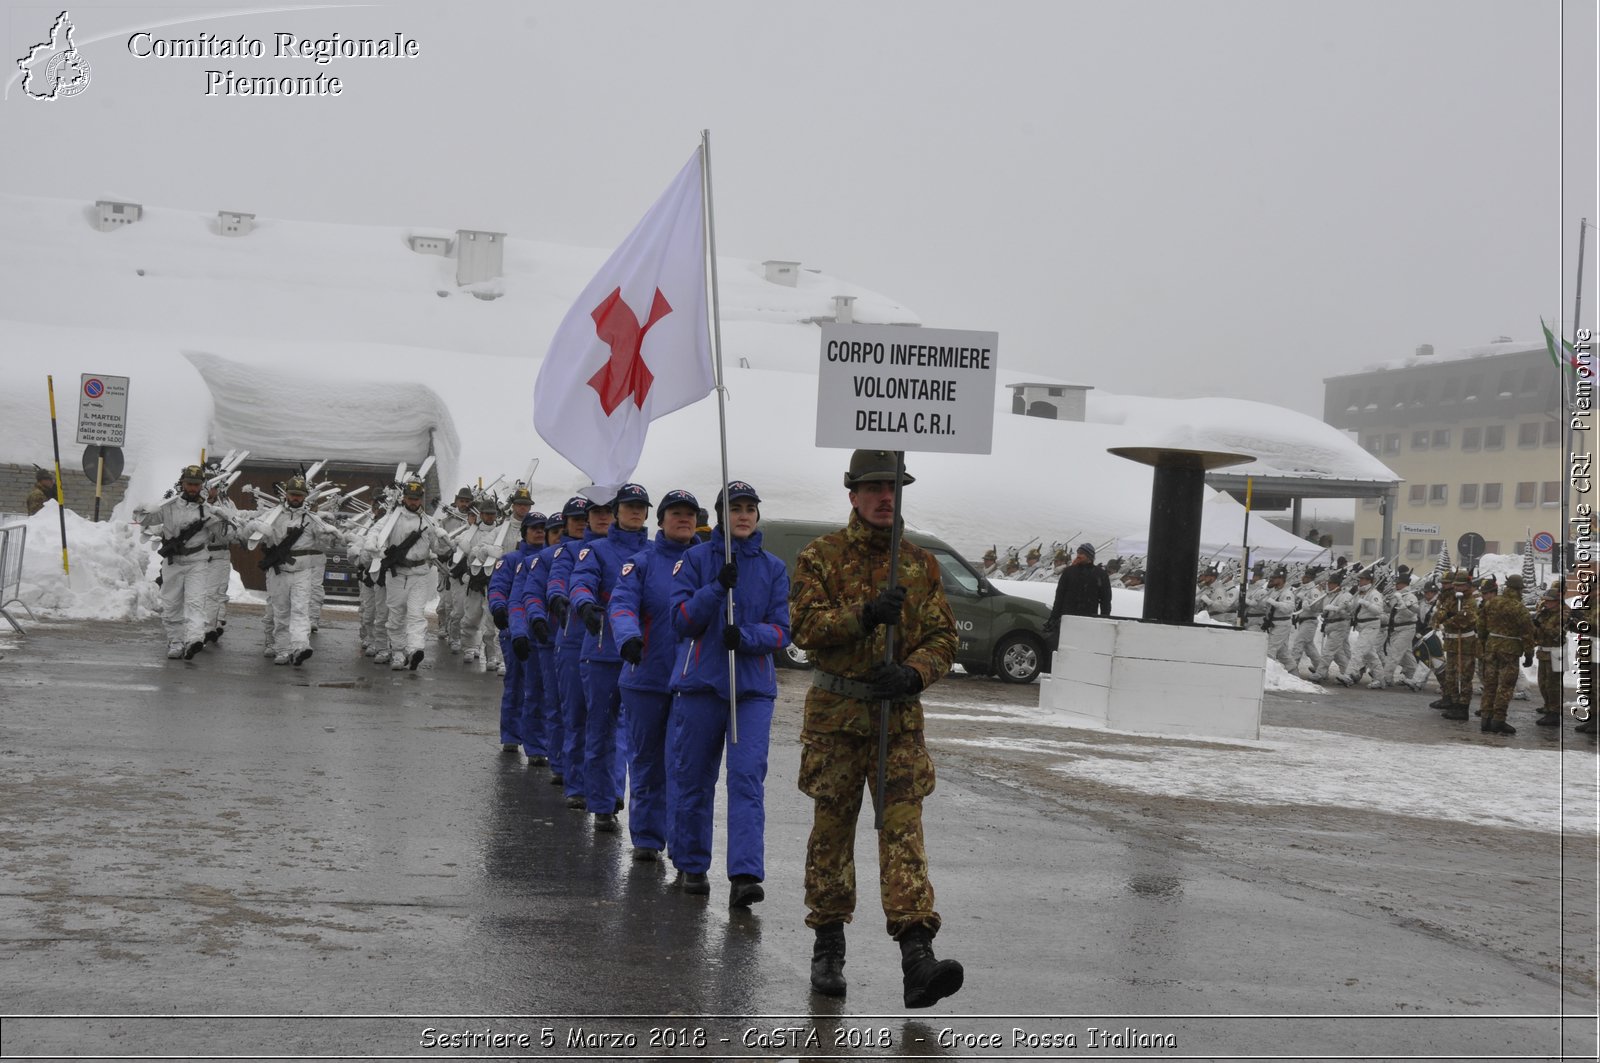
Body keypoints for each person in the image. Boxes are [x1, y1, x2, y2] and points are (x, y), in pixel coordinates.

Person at [789, 449, 963, 1009]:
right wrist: (864, 615)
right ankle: (828, 947)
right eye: (875, 488)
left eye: (895, 487)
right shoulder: (821, 556)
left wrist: (912, 673)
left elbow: (943, 638)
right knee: (832, 837)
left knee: (903, 834)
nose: (887, 497)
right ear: (853, 495)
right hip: (837, 724)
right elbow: (806, 627)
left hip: (897, 722)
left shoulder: (920, 565)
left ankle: (918, 956)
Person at [669, 481, 789, 905]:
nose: (743, 515)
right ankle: (691, 864)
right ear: (721, 515)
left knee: (746, 780)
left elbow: (782, 630)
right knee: (694, 778)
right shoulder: (695, 559)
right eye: (735, 508)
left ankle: (744, 875)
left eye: (750, 508)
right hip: (701, 685)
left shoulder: (774, 568)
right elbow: (681, 620)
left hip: (752, 690)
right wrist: (717, 587)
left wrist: (749, 636)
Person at [608, 488, 699, 861]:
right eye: (675, 513)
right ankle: (647, 838)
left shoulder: (706, 563)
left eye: (690, 514)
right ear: (659, 521)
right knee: (645, 760)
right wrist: (628, 638)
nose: (683, 519)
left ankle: (683, 847)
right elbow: (622, 603)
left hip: (692, 681)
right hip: (645, 676)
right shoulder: (640, 562)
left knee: (682, 766)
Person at [572, 484, 653, 832]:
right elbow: (580, 582)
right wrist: (584, 604)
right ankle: (603, 801)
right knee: (602, 728)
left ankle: (624, 796)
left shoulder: (655, 553)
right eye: (629, 506)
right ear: (617, 511)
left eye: (641, 507)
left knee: (639, 735)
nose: (635, 512)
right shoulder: (595, 550)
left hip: (642, 653)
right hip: (603, 649)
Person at [247, 476, 345, 666]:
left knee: (300, 610)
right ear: (286, 495)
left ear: (305, 497)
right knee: (281, 612)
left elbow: (326, 543)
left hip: (303, 572)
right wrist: (254, 526)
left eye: (300, 496)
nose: (296, 499)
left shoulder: (311, 519)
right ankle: (282, 649)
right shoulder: (272, 515)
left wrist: (335, 536)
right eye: (293, 494)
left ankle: (300, 646)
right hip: (279, 572)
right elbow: (246, 535)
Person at [152, 465, 232, 660]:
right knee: (171, 603)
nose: (192, 488)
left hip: (197, 561)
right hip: (174, 562)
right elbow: (147, 519)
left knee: (196, 602)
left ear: (201, 486)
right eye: (189, 484)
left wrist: (224, 521)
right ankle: (176, 641)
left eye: (196, 485)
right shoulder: (168, 506)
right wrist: (146, 509)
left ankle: (195, 638)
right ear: (182, 484)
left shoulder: (207, 510)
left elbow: (226, 536)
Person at [378, 479, 452, 671]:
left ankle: (415, 649)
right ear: (404, 498)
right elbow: (376, 535)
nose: (413, 502)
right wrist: (372, 547)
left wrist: (443, 538)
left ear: (421, 499)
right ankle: (398, 652)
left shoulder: (429, 522)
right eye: (410, 498)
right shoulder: (392, 518)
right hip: (396, 574)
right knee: (396, 616)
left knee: (416, 614)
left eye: (416, 499)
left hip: (419, 574)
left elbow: (439, 548)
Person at [490, 511, 547, 756]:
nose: (539, 532)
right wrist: (499, 608)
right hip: (514, 630)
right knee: (516, 684)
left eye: (543, 528)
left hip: (542, 631)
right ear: (524, 532)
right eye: (534, 528)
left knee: (540, 690)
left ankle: (537, 744)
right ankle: (511, 735)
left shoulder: (552, 558)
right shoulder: (510, 560)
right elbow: (498, 588)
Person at [1476, 573, 1535, 735]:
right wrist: (1529, 654)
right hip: (1510, 651)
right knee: (1506, 686)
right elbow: (1527, 633)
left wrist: (1483, 643)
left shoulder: (1491, 603)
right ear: (1519, 590)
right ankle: (1498, 720)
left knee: (1490, 685)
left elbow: (1480, 626)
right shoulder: (1519, 608)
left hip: (1491, 648)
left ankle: (1485, 719)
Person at [1434, 570, 1479, 720]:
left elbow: (1466, 620)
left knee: (1464, 676)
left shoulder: (1470, 601)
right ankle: (1454, 703)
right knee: (1451, 675)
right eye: (1456, 585)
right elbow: (1438, 615)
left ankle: (1463, 707)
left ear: (1467, 585)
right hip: (1451, 642)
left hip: (1465, 643)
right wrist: (1449, 617)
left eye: (1461, 586)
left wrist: (1449, 618)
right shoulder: (1451, 599)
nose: (1457, 588)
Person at [1043, 542, 1112, 639]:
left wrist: (1104, 619)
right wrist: (1054, 617)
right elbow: (1059, 596)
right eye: (1078, 552)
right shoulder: (1069, 572)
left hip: (1088, 619)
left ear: (1089, 556)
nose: (1078, 555)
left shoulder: (1100, 574)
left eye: (1082, 553)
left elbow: (1105, 600)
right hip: (1067, 618)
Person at [1533, 586, 1565, 727]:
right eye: (1545, 600)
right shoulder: (1545, 613)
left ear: (1557, 601)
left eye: (1549, 601)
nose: (1546, 603)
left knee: (1554, 685)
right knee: (1543, 683)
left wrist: (1541, 625)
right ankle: (1548, 706)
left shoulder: (1563, 613)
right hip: (1544, 652)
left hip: (1557, 652)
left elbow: (1557, 633)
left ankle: (1554, 713)